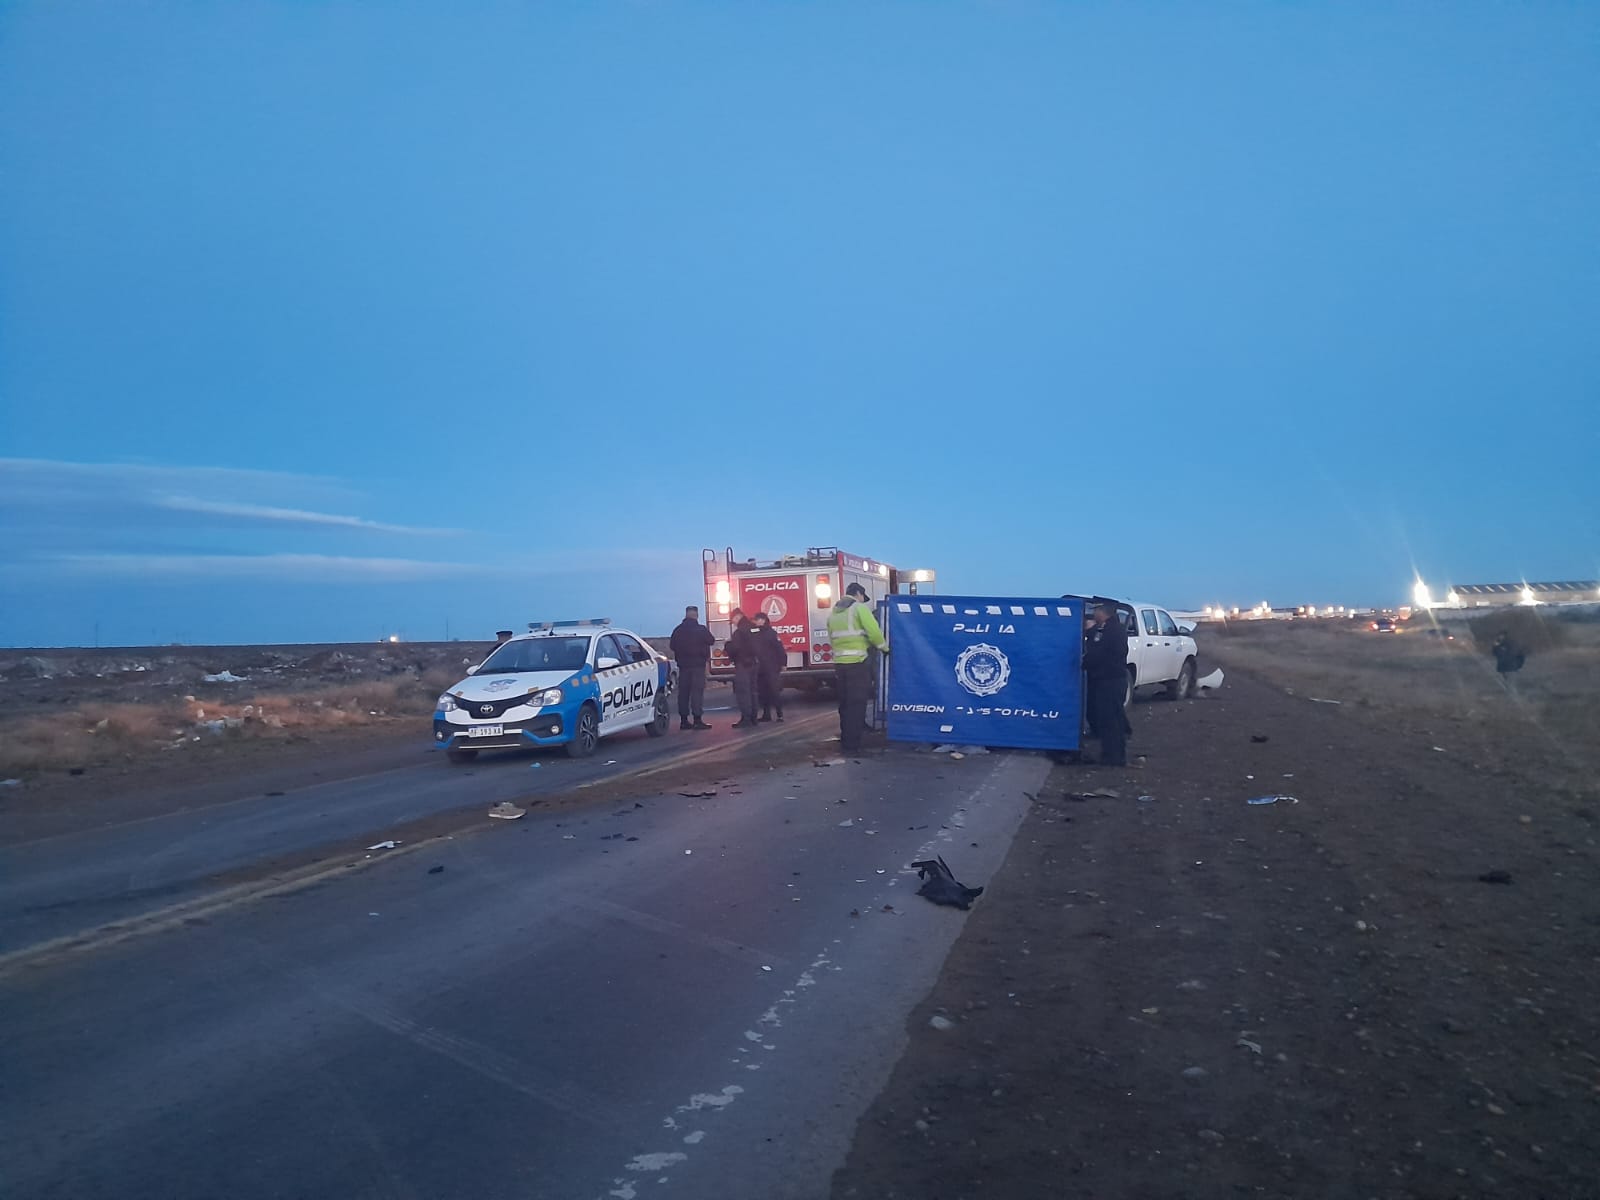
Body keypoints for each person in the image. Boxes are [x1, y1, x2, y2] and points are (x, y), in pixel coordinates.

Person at [826, 581, 888, 753]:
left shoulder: (834, 613)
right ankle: (853, 745)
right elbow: (873, 631)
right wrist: (884, 648)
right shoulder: (858, 609)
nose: (863, 600)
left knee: (845, 704)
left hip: (840, 664)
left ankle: (846, 740)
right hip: (858, 662)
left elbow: (832, 636)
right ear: (858, 594)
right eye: (863, 597)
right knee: (857, 704)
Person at [1082, 602, 1130, 767]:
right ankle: (1110, 754)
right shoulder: (1107, 629)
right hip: (1106, 680)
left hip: (1110, 681)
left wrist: (1083, 663)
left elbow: (1098, 653)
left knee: (1111, 721)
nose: (1094, 614)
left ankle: (1114, 758)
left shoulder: (1113, 631)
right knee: (1107, 719)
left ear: (1103, 612)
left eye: (1096, 610)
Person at [668, 605, 715, 731]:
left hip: (683, 667)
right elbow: (711, 640)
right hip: (698, 666)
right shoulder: (701, 629)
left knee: (683, 693)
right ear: (696, 615)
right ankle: (697, 720)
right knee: (697, 693)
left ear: (686, 615)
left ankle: (684, 721)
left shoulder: (678, 630)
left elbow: (672, 645)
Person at [725, 613, 761, 729]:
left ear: (737, 617)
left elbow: (735, 649)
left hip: (743, 665)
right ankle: (754, 718)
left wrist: (727, 644)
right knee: (753, 692)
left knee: (743, 693)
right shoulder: (754, 628)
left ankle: (746, 718)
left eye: (733, 621)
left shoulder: (739, 632)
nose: (734, 623)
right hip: (754, 664)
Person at [751, 612, 787, 723]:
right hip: (760, 667)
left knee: (774, 691)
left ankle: (779, 714)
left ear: (765, 620)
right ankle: (766, 715)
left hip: (772, 667)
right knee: (763, 692)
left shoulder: (771, 633)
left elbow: (779, 649)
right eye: (757, 620)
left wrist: (783, 663)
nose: (759, 622)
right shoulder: (754, 633)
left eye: (761, 619)